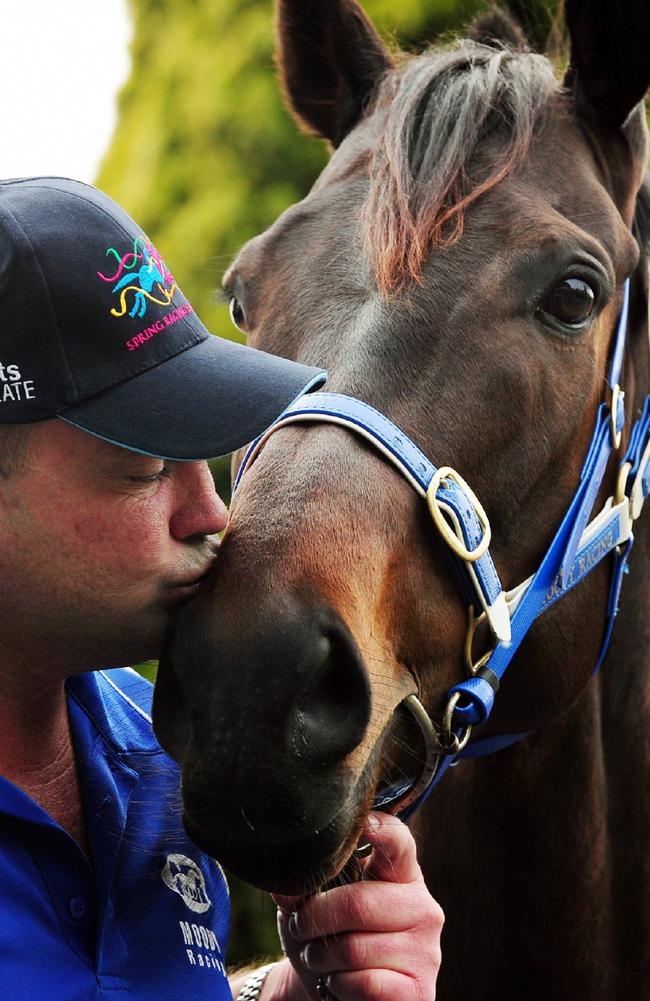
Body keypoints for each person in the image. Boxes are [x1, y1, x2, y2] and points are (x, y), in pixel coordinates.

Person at [0, 176, 443, 1000]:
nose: (210, 512)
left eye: (205, 460)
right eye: (143, 470)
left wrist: (294, 988)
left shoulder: (157, 744)